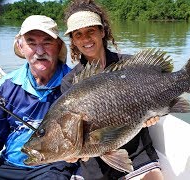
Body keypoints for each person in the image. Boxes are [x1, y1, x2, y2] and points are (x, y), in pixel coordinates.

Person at [61, 0, 164, 179]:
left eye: (90, 31)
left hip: (137, 152)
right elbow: (72, 131)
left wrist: (156, 112)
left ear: (102, 32)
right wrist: (73, 152)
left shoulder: (130, 66)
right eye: (78, 34)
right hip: (94, 164)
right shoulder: (70, 82)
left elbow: (158, 92)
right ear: (73, 41)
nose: (85, 39)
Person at [0, 15, 83, 180]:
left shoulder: (75, 83)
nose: (40, 51)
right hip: (10, 164)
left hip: (55, 165)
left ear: (58, 45)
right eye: (31, 42)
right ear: (20, 46)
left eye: (47, 42)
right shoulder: (5, 86)